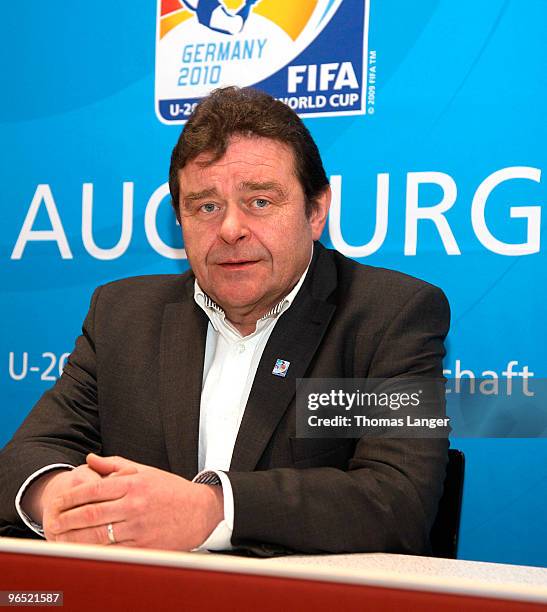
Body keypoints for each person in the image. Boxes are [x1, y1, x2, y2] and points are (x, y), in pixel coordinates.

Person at [0, 86, 450, 556]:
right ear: (180, 219)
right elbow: (24, 459)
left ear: (315, 211)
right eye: (206, 206)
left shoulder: (389, 315)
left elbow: (398, 502)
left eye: (260, 201)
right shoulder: (121, 316)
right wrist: (63, 499)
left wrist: (209, 509)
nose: (231, 229)